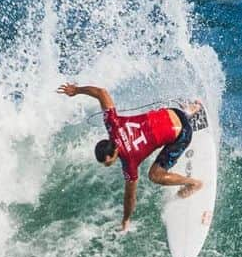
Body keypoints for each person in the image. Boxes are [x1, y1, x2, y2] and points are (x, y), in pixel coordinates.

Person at [57, 83, 202, 233]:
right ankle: (190, 110)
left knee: (155, 175)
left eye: (107, 162)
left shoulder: (130, 162)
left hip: (183, 134)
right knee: (159, 123)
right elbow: (101, 92)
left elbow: (130, 198)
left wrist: (126, 219)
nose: (107, 165)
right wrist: (76, 90)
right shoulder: (112, 123)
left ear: (112, 154)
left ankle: (193, 184)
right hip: (173, 112)